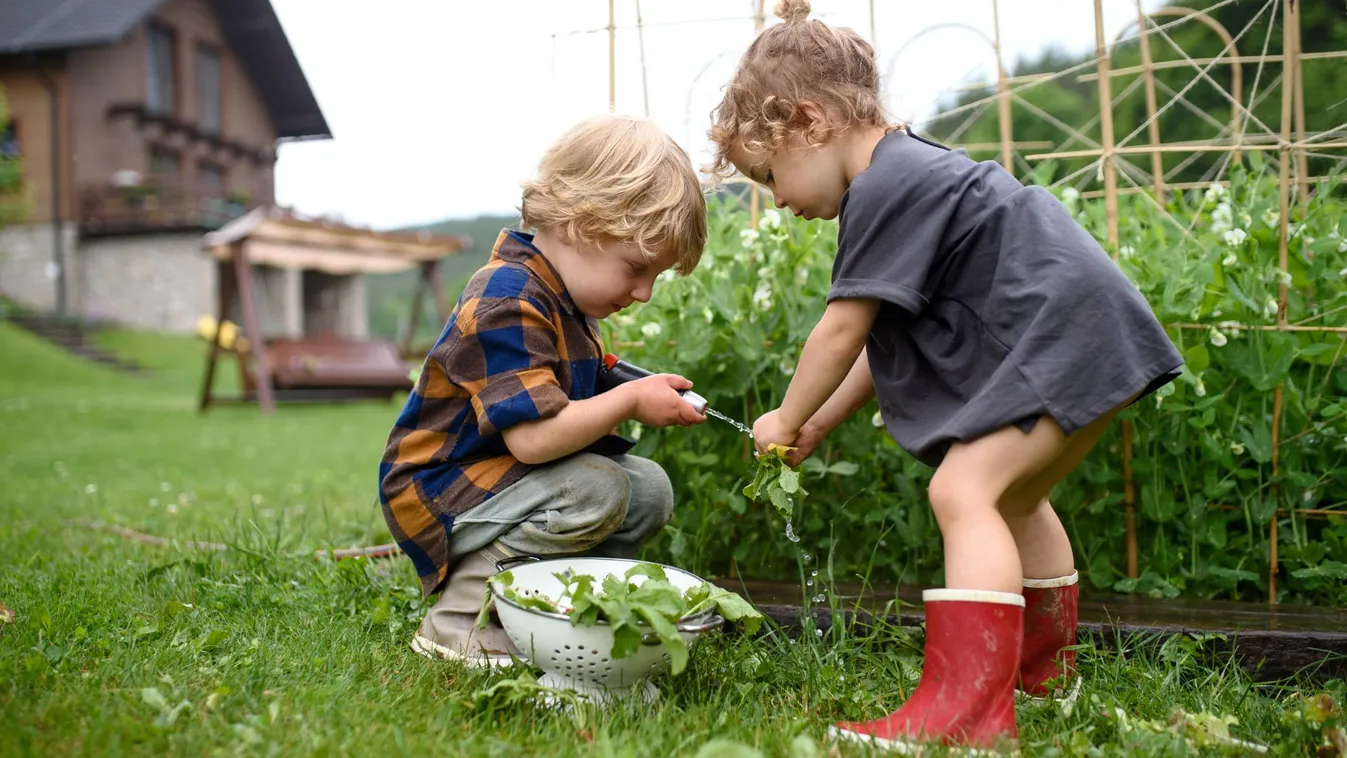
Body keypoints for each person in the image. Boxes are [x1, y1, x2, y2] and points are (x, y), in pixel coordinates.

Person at [707, 0, 1183, 752]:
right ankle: (1042, 682)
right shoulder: (910, 169)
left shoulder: (883, 188)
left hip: (1057, 336)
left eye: (770, 175)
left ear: (806, 120)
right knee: (1017, 499)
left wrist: (785, 417)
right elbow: (883, 336)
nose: (778, 200)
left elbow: (841, 331)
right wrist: (823, 422)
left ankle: (968, 713)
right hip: (1091, 332)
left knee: (962, 491)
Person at [379, 114, 708, 667]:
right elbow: (533, 440)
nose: (646, 293)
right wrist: (628, 401)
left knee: (648, 488)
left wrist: (626, 383)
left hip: (507, 485)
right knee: (594, 489)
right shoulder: (508, 296)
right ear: (580, 221)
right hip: (445, 488)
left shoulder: (566, 301)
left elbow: (573, 389)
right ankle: (460, 621)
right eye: (637, 268)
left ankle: (567, 610)